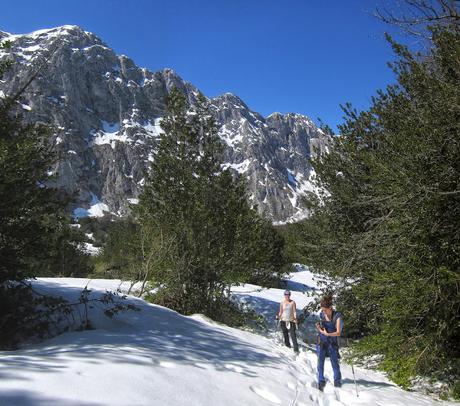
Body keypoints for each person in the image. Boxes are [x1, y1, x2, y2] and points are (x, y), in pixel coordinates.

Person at [315, 295, 343, 391]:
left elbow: (338, 332)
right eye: (322, 310)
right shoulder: (322, 315)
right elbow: (322, 327)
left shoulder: (337, 316)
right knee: (320, 362)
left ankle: (337, 381)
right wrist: (319, 328)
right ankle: (320, 380)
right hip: (322, 340)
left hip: (332, 341)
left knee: (334, 362)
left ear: (330, 308)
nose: (323, 312)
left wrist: (328, 334)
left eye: (325, 310)